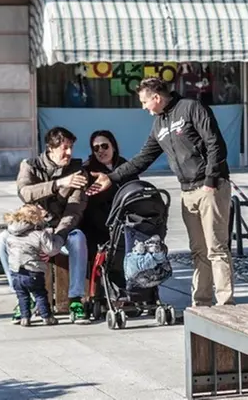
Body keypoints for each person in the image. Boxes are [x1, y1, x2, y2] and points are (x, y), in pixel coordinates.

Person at [87, 77, 235, 307]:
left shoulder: (191, 108)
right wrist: (112, 177)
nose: (143, 107)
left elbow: (215, 143)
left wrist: (211, 179)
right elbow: (143, 158)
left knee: (216, 247)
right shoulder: (159, 125)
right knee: (198, 250)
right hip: (187, 190)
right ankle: (202, 302)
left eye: (144, 101)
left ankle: (225, 303)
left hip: (210, 187)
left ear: (156, 98)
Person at [0, 126, 90, 324]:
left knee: (78, 238)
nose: (69, 152)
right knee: (3, 239)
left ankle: (76, 299)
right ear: (50, 148)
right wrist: (59, 184)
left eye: (71, 147)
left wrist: (55, 241)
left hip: (60, 232)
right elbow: (25, 193)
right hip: (32, 232)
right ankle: (22, 296)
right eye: (64, 148)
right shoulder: (30, 166)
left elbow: (74, 211)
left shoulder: (78, 171)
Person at [3, 204, 64, 327]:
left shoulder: (11, 232)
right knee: (40, 294)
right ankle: (46, 317)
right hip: (32, 270)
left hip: (15, 270)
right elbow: (51, 250)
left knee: (22, 295)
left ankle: (25, 318)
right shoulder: (39, 234)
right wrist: (59, 238)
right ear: (36, 218)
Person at [81, 130, 135, 256]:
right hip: (100, 225)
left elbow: (134, 188)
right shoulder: (88, 169)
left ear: (113, 147)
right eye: (96, 148)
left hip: (126, 219)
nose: (100, 151)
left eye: (104, 146)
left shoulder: (124, 165)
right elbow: (90, 204)